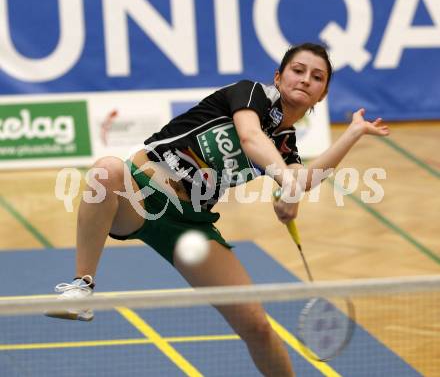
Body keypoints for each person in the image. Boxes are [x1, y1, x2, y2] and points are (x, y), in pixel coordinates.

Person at [47, 43, 389, 376]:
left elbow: (306, 179)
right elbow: (250, 138)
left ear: (323, 94)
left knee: (256, 326)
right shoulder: (249, 93)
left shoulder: (286, 145)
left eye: (317, 77)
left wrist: (353, 133)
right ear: (279, 76)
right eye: (297, 71)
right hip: (140, 193)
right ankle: (82, 287)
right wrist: (286, 182)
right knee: (107, 170)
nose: (305, 79)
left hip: (190, 224)